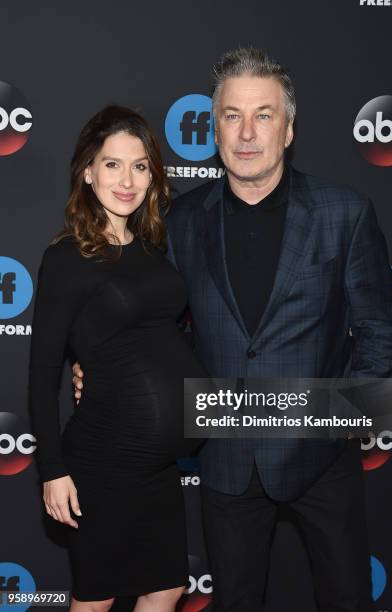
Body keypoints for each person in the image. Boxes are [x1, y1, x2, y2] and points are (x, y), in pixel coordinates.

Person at [73, 48, 392, 611]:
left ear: (289, 129)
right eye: (232, 115)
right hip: (226, 458)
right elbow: (155, 328)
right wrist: (103, 368)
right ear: (215, 128)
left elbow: (380, 332)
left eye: (264, 115)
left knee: (347, 599)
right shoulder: (180, 222)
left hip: (322, 457)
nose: (247, 133)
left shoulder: (343, 211)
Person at [29, 105, 207, 612]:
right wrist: (52, 470)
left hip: (157, 467)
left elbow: (156, 342)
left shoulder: (153, 248)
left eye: (140, 165)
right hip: (104, 460)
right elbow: (43, 376)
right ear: (88, 171)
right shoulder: (67, 258)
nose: (127, 180)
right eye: (112, 164)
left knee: (167, 588)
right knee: (97, 599)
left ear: (153, 175)